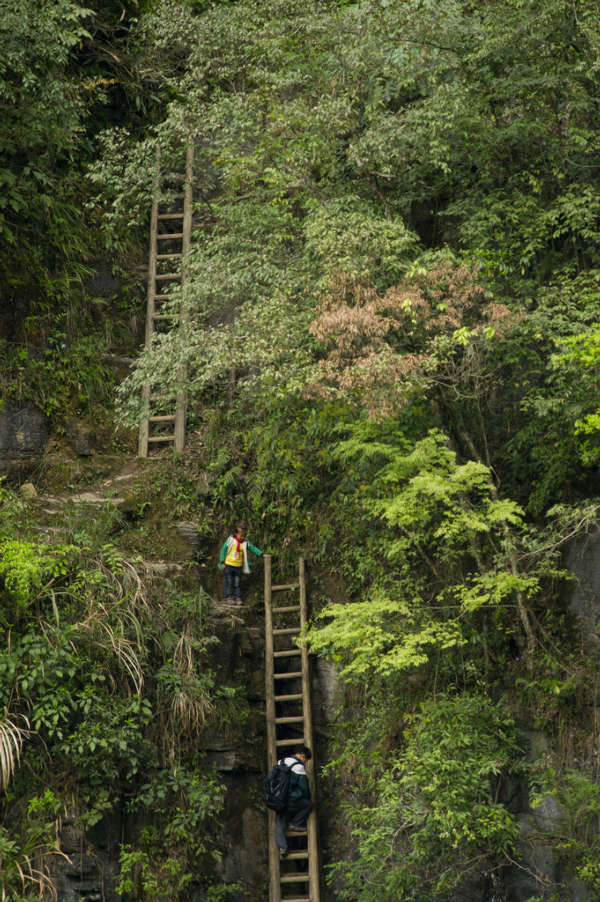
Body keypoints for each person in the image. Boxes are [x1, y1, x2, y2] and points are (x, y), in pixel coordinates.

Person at [271, 746, 313, 857]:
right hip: (290, 800)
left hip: (277, 799)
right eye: (306, 759)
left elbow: (269, 780)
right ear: (302, 755)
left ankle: (282, 846)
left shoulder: (280, 762)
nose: (305, 762)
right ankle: (295, 823)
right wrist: (305, 797)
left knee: (279, 821)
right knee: (308, 805)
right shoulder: (298, 767)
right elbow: (304, 788)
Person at [218, 523, 263, 605]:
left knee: (237, 582)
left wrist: (261, 554)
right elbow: (223, 550)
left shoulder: (245, 542)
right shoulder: (231, 540)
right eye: (241, 535)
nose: (242, 537)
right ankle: (228, 597)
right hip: (228, 565)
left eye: (244, 535)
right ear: (236, 533)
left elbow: (252, 548)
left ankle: (237, 597)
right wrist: (222, 562)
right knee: (229, 581)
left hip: (238, 566)